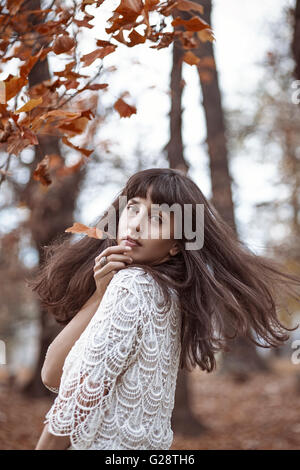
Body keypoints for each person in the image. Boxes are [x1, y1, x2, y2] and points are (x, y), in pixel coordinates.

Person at [30, 167, 300, 450]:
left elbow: (77, 397)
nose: (135, 225)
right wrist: (99, 296)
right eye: (132, 209)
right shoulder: (167, 293)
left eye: (156, 218)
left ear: (176, 245)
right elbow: (54, 375)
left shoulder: (132, 286)